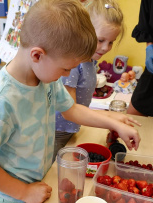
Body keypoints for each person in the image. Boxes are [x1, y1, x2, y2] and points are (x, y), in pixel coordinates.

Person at [0, 0, 141, 203]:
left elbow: (72, 109)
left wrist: (114, 124)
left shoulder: (45, 80)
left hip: (38, 182)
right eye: (65, 69)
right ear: (37, 55)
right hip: (9, 198)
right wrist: (23, 191)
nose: (67, 75)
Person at [54, 0, 140, 162]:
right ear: (82, 31)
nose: (106, 48)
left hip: (70, 130)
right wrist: (111, 122)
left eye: (111, 42)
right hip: (56, 133)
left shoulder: (90, 60)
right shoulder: (73, 64)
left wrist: (112, 118)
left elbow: (79, 109)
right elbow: (70, 110)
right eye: (100, 40)